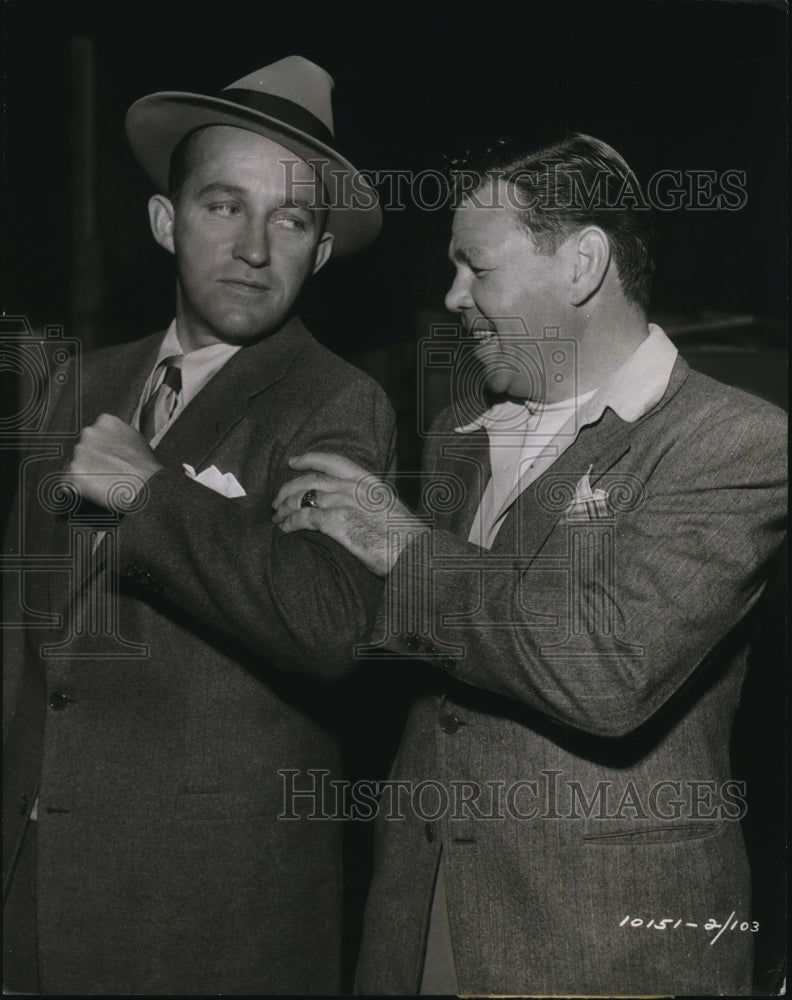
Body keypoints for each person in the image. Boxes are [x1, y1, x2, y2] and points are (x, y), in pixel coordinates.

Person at [272, 132, 788, 995]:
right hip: (423, 918)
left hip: (605, 948)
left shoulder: (736, 443)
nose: (452, 296)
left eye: (477, 267)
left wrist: (401, 544)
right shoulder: (459, 436)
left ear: (583, 264)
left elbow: (606, 668)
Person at [2, 56, 394, 994]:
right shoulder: (79, 383)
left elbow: (329, 625)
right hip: (36, 901)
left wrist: (152, 493)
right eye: (224, 206)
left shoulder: (338, 402)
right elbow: (23, 632)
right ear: (165, 222)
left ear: (322, 254)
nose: (256, 247)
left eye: (292, 220)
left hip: (213, 920)